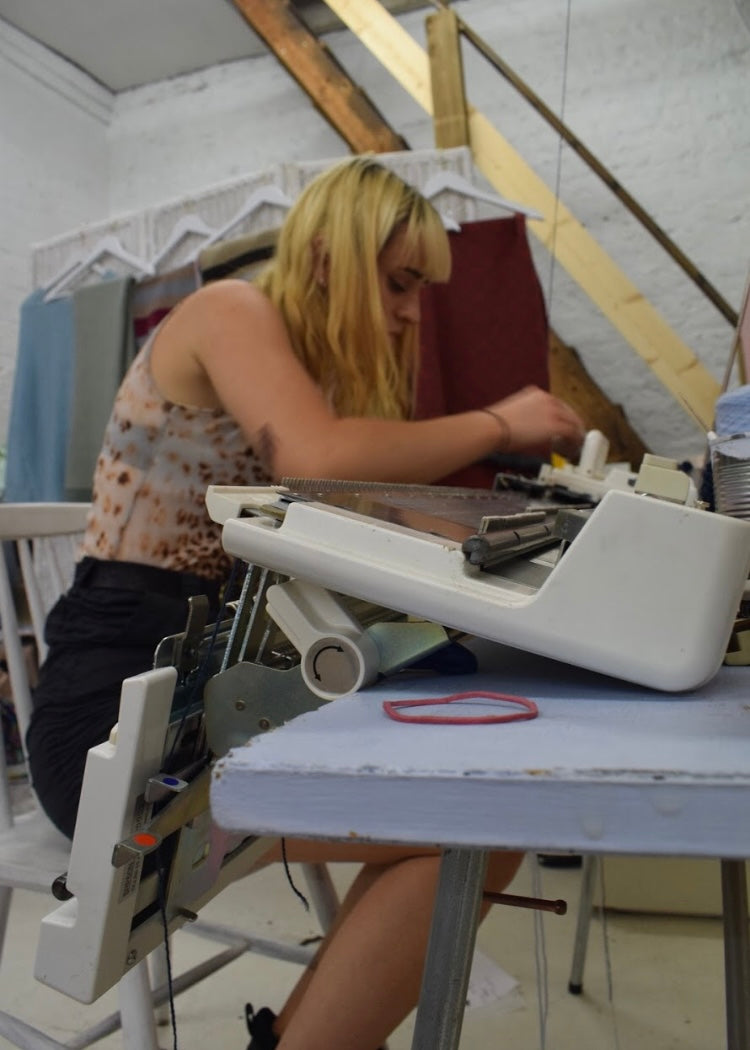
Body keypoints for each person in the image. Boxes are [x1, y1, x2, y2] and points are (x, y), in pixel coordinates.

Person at [26, 156, 585, 1050]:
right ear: (327, 257)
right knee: (467, 826)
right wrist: (501, 423)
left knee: (476, 810)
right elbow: (314, 458)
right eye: (400, 283)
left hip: (208, 697)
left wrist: (522, 549)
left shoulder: (300, 383)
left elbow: (367, 509)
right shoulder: (229, 311)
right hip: (113, 727)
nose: (413, 312)